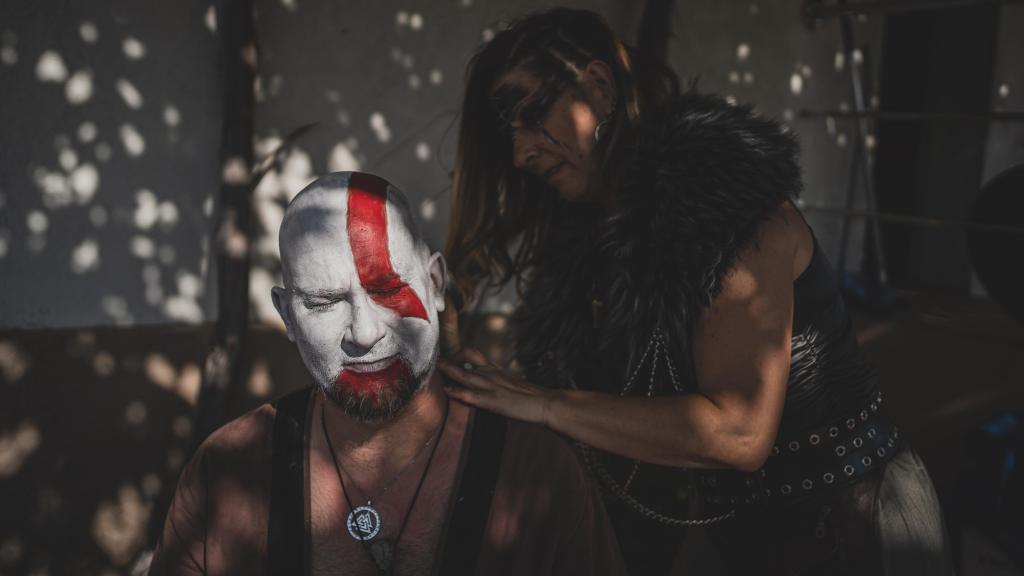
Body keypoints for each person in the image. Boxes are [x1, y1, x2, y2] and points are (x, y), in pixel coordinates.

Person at [438, 8, 954, 576]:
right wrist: (492, 384)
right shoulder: (599, 235)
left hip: (856, 522)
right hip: (738, 532)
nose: (520, 155)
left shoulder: (721, 206)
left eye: (530, 115)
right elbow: (614, 403)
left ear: (600, 86)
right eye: (507, 134)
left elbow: (738, 430)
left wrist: (544, 404)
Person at [148, 172, 626, 576]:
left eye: (389, 288)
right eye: (323, 303)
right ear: (287, 316)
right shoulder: (228, 471)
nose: (365, 331)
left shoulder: (535, 472)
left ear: (436, 284)